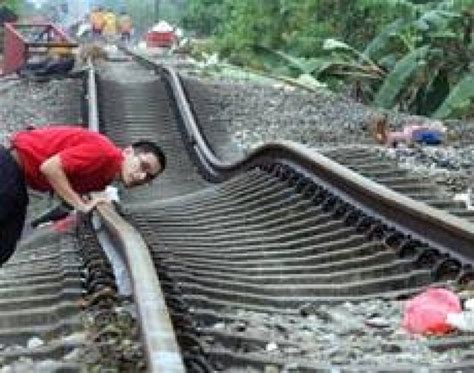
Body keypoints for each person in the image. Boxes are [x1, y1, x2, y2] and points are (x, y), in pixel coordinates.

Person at [0, 125, 166, 265]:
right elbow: (50, 168)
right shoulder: (106, 154)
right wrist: (81, 205)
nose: (141, 177)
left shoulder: (105, 176)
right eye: (143, 166)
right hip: (9, 167)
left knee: (6, 242)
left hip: (14, 172)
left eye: (149, 177)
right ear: (128, 151)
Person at [371, 113, 446, 147]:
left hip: (410, 133)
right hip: (410, 134)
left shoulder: (389, 136)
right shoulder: (389, 136)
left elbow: (386, 140)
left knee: (427, 133)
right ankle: (440, 135)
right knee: (428, 134)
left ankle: (440, 135)